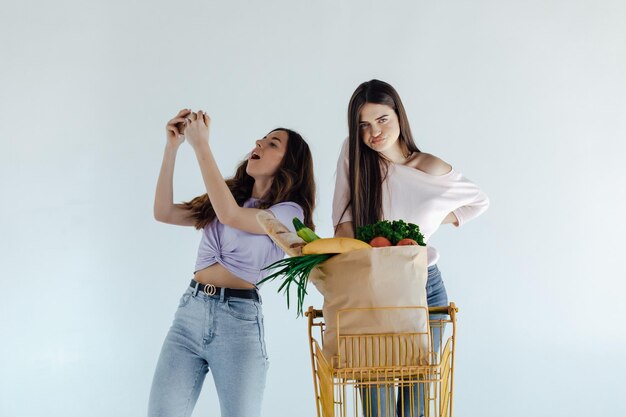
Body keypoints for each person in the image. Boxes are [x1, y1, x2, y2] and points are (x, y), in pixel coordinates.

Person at [332, 80, 489, 417]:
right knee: (378, 406)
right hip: (373, 292)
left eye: (382, 119)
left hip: (424, 289)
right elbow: (343, 222)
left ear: (399, 116)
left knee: (417, 405)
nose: (374, 132)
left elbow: (478, 201)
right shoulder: (354, 154)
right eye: (364, 125)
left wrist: (432, 221)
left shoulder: (430, 167)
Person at [148, 108, 316, 417]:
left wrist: (201, 146)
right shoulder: (229, 196)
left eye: (273, 143)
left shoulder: (290, 213)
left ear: (288, 165)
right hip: (189, 314)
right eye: (262, 139)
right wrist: (173, 147)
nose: (259, 143)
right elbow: (163, 212)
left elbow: (231, 217)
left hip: (238, 323)